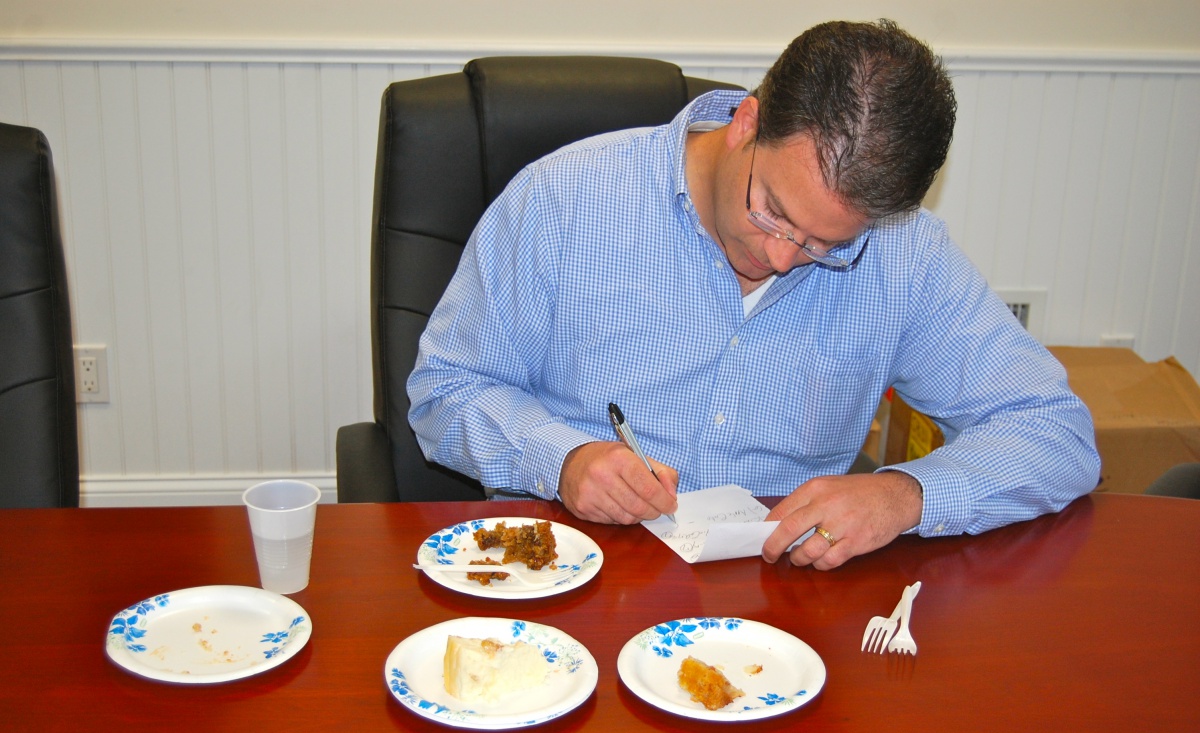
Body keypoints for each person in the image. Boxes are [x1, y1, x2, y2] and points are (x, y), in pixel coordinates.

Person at [407, 19, 1100, 570]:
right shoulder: (564, 201)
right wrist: (561, 459)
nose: (780, 256)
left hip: (783, 606)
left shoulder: (903, 257)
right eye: (772, 210)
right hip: (578, 579)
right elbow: (447, 388)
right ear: (745, 122)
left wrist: (904, 493)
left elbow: (1053, 429)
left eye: (826, 245)